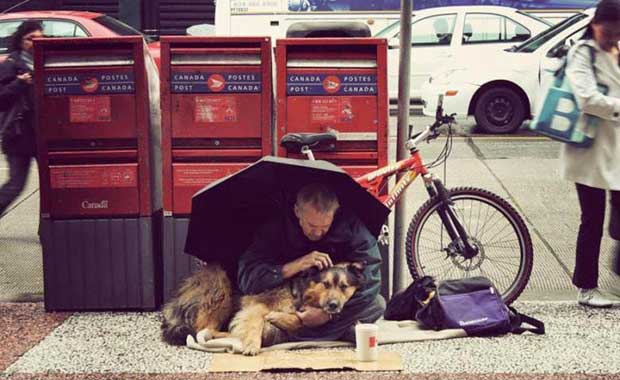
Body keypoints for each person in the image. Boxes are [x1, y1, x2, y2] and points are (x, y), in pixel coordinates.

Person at [237, 183, 385, 341]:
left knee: (377, 304)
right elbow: (248, 279)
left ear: (334, 215)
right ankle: (337, 332)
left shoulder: (352, 227)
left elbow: (371, 278)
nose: (318, 232)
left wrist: (326, 316)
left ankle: (291, 332)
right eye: (312, 225)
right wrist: (296, 265)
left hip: (331, 304)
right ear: (297, 212)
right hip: (287, 299)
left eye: (325, 226)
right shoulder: (275, 227)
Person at [561, 0, 620, 308]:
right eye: (609, 31)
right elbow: (585, 97)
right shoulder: (581, 53)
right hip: (589, 151)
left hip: (615, 150)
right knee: (592, 219)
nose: (612, 38)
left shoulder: (615, 51)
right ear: (596, 24)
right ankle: (586, 288)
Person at [0, 20, 43, 217]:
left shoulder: (43, 61)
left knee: (53, 186)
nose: (35, 43)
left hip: (40, 134)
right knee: (16, 184)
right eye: (30, 39)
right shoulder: (11, 64)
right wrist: (19, 83)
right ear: (20, 41)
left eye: (40, 38)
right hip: (18, 136)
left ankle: (48, 228)